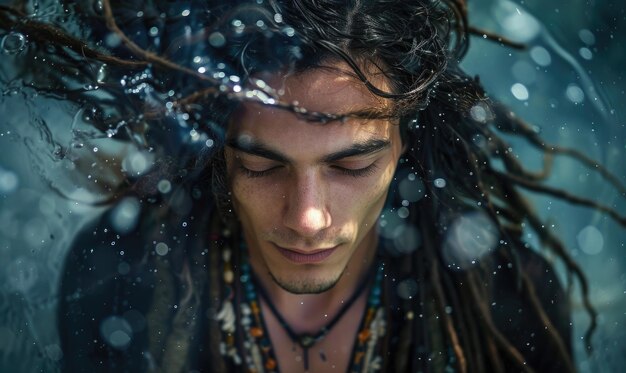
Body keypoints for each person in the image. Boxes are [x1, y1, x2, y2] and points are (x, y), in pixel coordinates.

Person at [3, 0, 615, 372]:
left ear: (407, 144)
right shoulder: (121, 276)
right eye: (262, 165)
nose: (308, 217)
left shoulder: (502, 298)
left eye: (352, 166)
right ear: (216, 154)